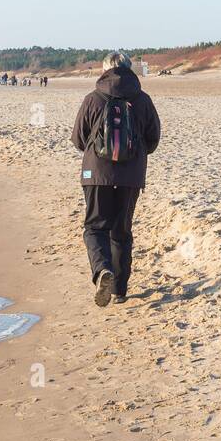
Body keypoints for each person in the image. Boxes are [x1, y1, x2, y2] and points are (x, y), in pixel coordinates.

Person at [70, 51, 161, 307]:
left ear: (105, 70)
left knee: (95, 227)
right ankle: (120, 290)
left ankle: (102, 270)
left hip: (96, 173)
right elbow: (153, 139)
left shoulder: (93, 99)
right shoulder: (142, 99)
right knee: (121, 231)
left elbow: (79, 138)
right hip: (131, 175)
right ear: (129, 69)